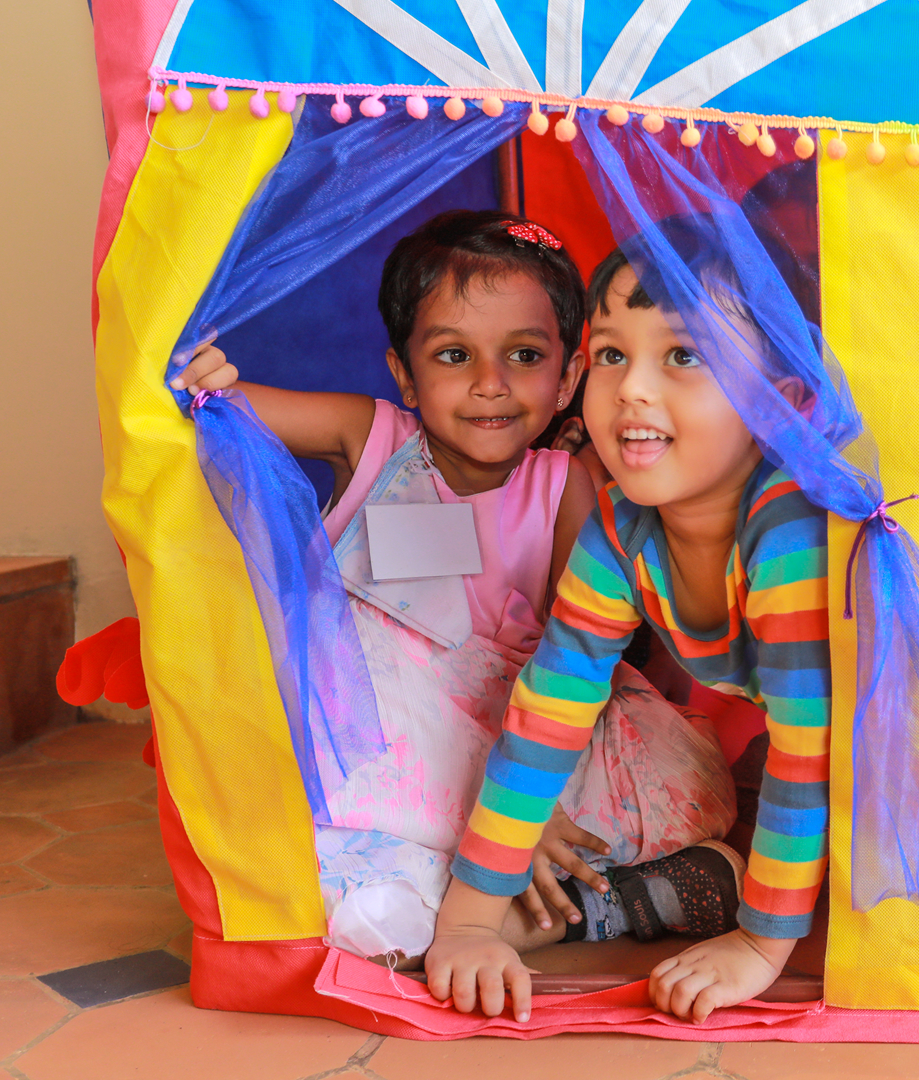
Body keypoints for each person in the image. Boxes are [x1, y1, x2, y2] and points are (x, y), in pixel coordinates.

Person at [170, 210, 738, 963]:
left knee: (684, 785)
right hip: (386, 750)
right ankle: (598, 907)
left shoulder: (565, 486)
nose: (489, 385)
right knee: (343, 877)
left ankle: (552, 894)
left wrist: (525, 807)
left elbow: (586, 661)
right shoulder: (368, 436)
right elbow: (211, 415)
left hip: (522, 740)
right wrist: (200, 383)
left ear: (569, 374)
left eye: (525, 354)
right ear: (404, 373)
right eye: (452, 355)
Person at [426, 233, 830, 1025]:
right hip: (805, 749)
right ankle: (707, 873)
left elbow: (809, 748)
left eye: (683, 356)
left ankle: (742, 885)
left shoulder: (788, 533)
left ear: (779, 397)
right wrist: (468, 924)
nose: (631, 390)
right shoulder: (620, 529)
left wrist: (760, 945)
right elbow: (549, 711)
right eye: (610, 355)